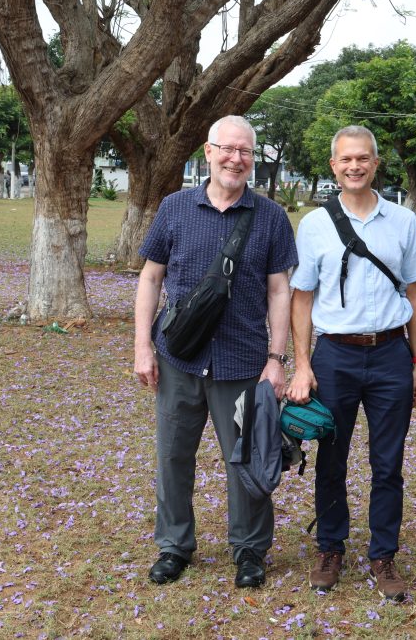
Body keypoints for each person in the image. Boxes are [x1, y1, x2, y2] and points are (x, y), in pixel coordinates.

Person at [133, 115, 298, 589]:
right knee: (173, 456)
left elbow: (279, 291)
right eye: (227, 149)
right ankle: (174, 545)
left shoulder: (270, 216)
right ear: (208, 152)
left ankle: (249, 550)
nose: (236, 159)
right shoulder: (175, 207)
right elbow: (150, 277)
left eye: (245, 151)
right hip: (179, 358)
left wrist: (276, 359)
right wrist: (143, 346)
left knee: (247, 457)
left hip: (243, 361)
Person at [287, 125, 416, 601]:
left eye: (363, 158)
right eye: (346, 159)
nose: (355, 166)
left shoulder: (403, 221)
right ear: (334, 166)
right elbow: (302, 297)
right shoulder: (314, 225)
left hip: (391, 354)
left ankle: (383, 554)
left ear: (375, 164)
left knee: (388, 463)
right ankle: (330, 548)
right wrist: (302, 365)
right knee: (331, 459)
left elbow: (415, 295)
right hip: (335, 356)